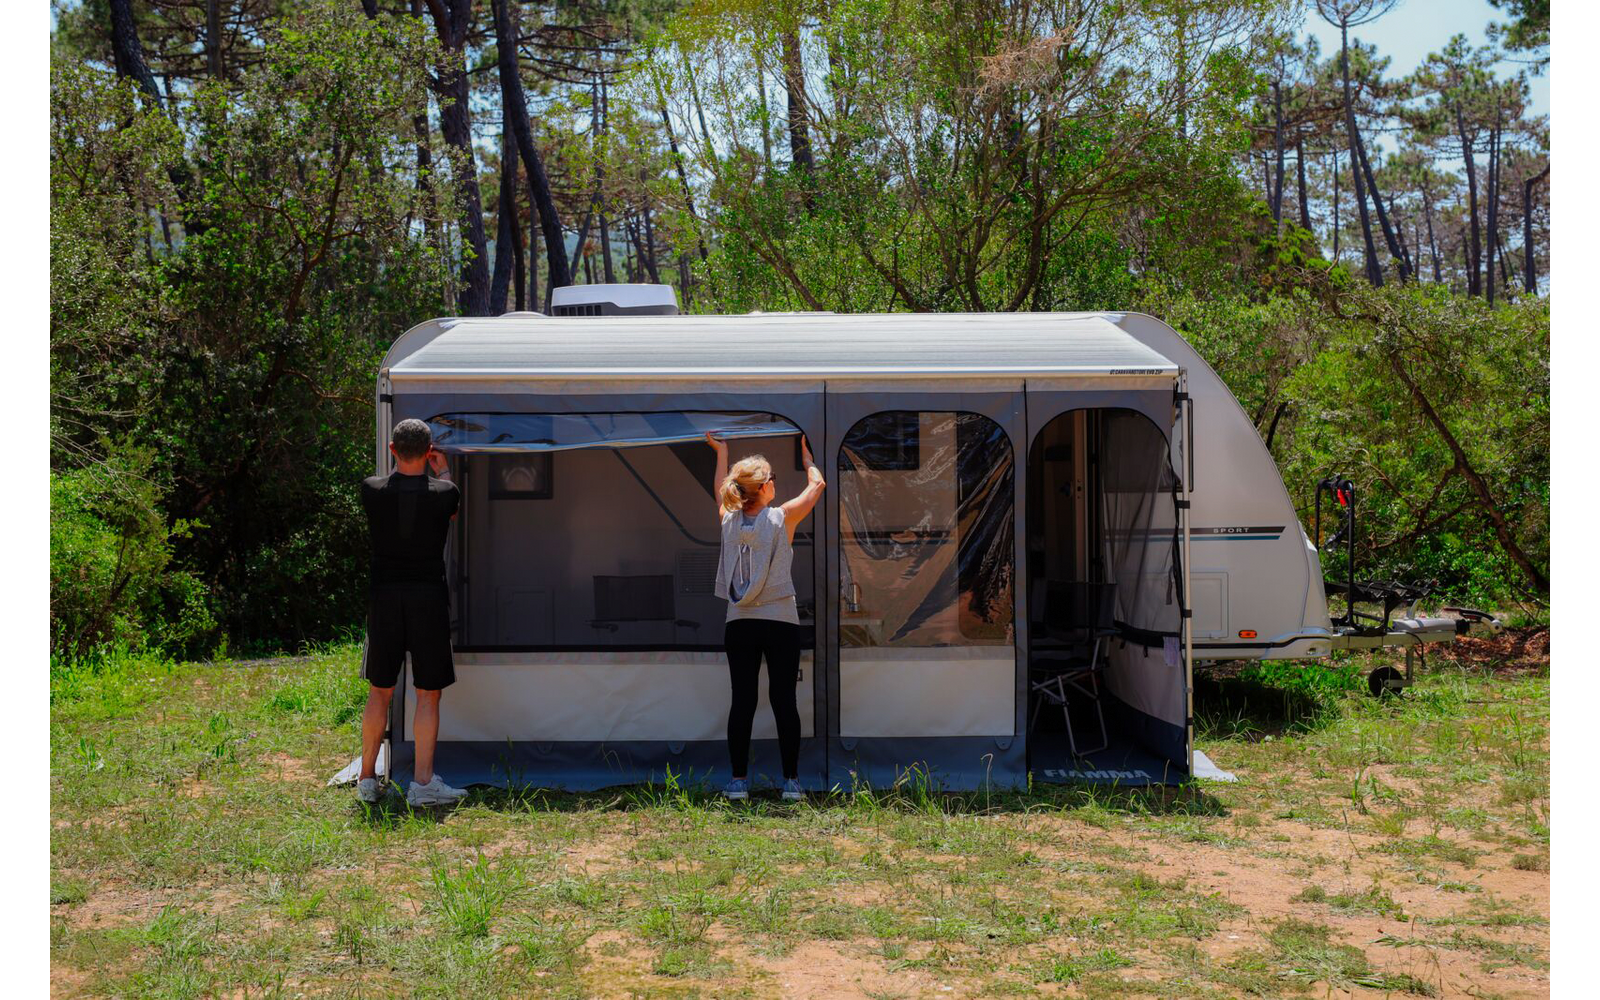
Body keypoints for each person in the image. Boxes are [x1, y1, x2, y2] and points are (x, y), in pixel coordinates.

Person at [705, 431, 825, 801]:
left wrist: (721, 453)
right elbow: (818, 485)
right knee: (783, 700)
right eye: (771, 477)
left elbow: (719, 491)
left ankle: (738, 782)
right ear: (762, 487)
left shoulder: (728, 521)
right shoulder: (781, 518)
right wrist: (808, 460)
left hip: (739, 622)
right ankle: (791, 782)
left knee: (742, 700)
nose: (775, 482)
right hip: (780, 623)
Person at [355, 418, 468, 807]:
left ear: (392, 450)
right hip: (427, 599)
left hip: (384, 598)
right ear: (430, 450)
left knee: (380, 690)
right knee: (428, 693)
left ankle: (367, 779)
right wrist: (443, 469)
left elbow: (391, 486)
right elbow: (451, 510)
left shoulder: (371, 490)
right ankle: (422, 784)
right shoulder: (446, 492)